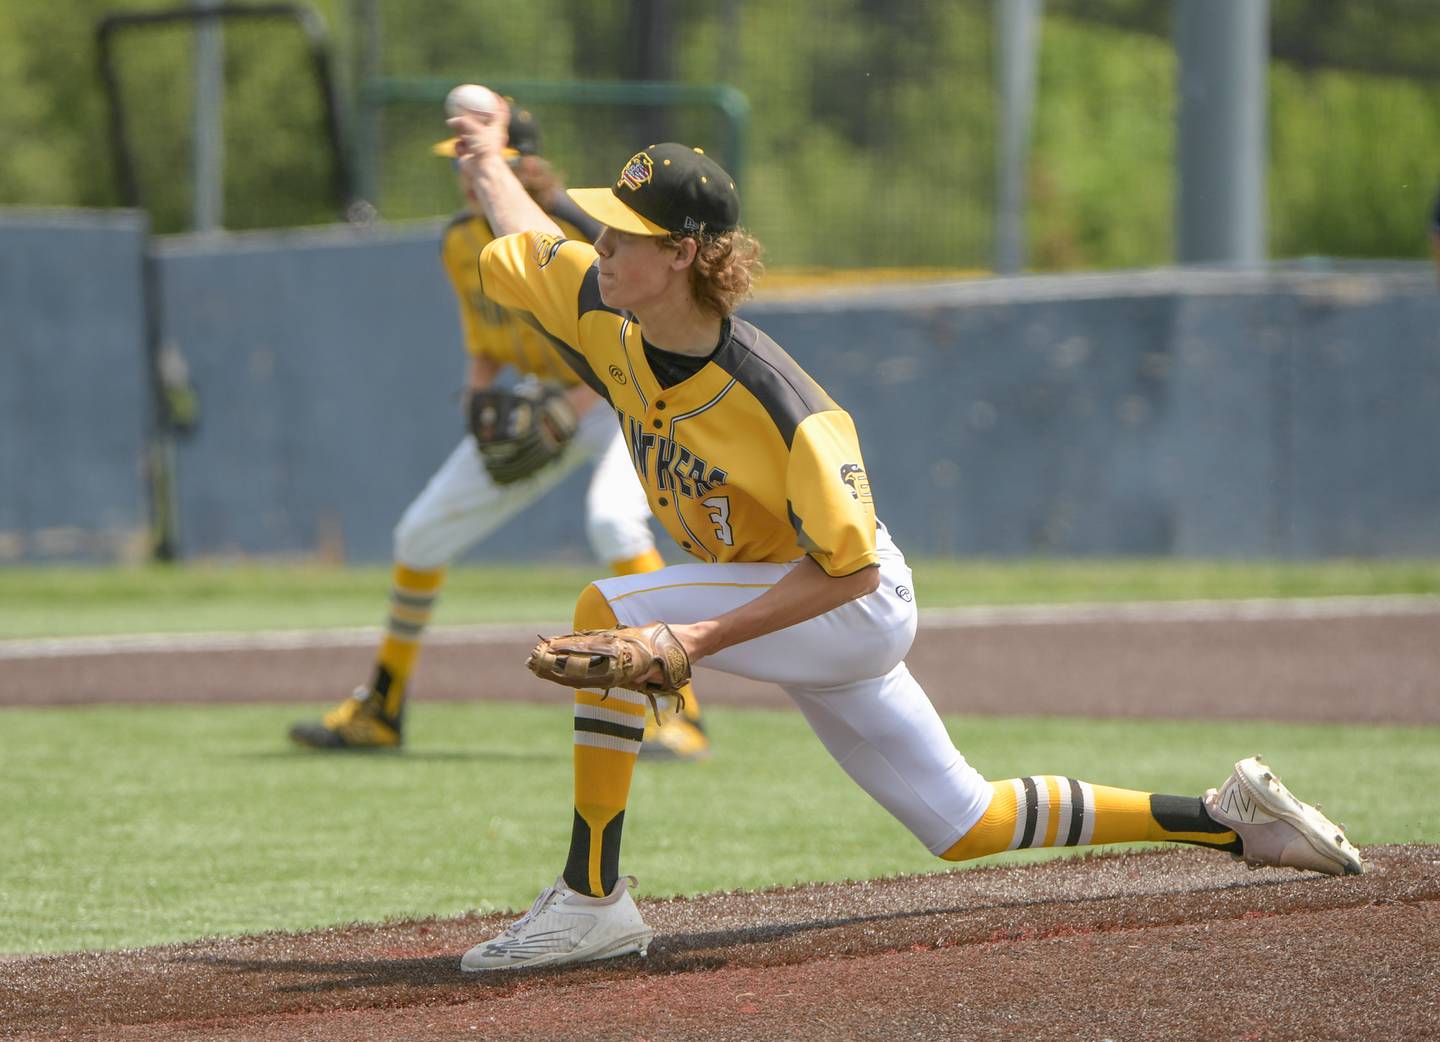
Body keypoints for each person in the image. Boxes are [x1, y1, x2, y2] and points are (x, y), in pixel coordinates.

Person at [445, 98, 1365, 973]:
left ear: (682, 254)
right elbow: (530, 234)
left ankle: (591, 896)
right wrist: (486, 155)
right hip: (787, 601)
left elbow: (846, 573)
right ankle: (1228, 818)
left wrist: (691, 640)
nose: (598, 247)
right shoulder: (605, 308)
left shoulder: (788, 410)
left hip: (850, 599)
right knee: (965, 823)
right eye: (602, 231)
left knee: (612, 605)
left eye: (622, 236)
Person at [287, 101, 712, 761]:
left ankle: (678, 710)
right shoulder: (460, 240)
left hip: (623, 401)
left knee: (612, 523)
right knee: (420, 535)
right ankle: (383, 705)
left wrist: (574, 404)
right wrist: (481, 396)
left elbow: (632, 346)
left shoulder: (577, 230)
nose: (466, 169)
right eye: (458, 157)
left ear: (526, 164)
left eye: (484, 156)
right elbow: (486, 340)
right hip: (544, 403)